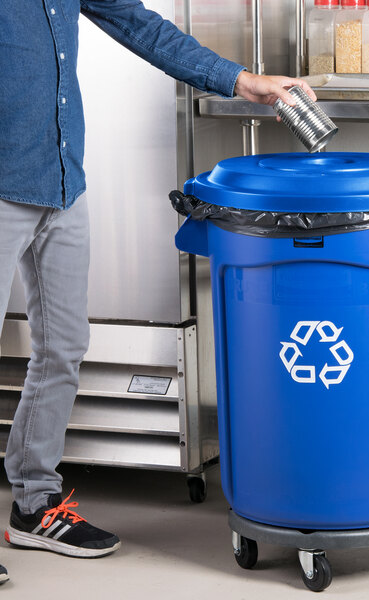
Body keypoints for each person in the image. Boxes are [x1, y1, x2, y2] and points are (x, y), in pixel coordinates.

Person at [0, 0, 316, 580]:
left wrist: (241, 80)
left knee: (63, 348)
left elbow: (139, 24)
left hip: (60, 178)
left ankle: (33, 505)